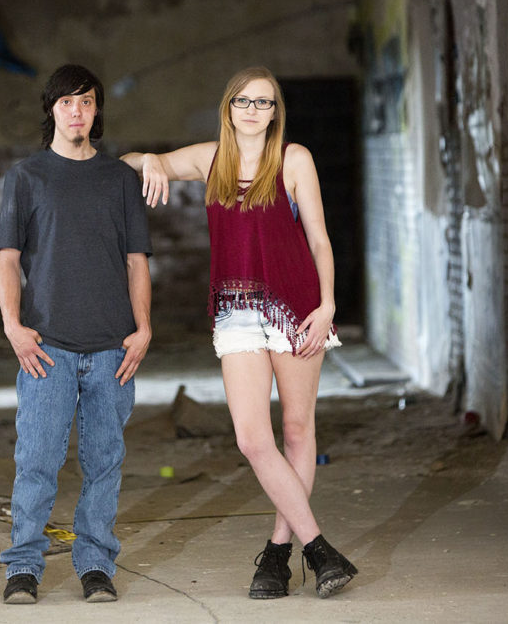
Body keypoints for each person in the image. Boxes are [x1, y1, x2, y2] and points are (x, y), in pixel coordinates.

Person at [121, 66, 357, 600]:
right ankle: (319, 548)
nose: (254, 110)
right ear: (228, 107)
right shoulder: (210, 159)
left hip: (298, 307)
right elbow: (126, 164)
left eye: (265, 103)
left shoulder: (294, 159)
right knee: (252, 439)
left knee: (297, 430)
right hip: (236, 314)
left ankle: (277, 554)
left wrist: (327, 305)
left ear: (276, 112)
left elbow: (319, 239)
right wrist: (155, 160)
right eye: (244, 102)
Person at [0, 64, 152, 604]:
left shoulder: (118, 179)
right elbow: (8, 260)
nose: (77, 111)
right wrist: (14, 327)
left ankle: (95, 565)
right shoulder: (26, 176)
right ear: (52, 110)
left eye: (86, 102)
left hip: (112, 347)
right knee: (37, 461)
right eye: (66, 102)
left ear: (96, 111)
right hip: (47, 349)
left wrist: (144, 329)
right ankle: (22, 568)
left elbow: (136, 262)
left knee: (104, 462)